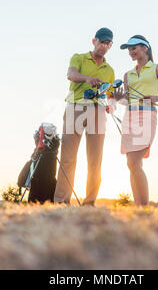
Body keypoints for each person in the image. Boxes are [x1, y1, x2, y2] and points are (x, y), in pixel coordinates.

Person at [54, 28, 116, 206]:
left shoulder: (109, 70)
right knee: (68, 157)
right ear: (93, 41)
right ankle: (61, 201)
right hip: (75, 107)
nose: (104, 46)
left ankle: (89, 202)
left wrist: (112, 105)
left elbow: (110, 95)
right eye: (101, 42)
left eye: (107, 43)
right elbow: (71, 75)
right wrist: (88, 79)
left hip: (98, 111)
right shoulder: (79, 58)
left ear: (110, 45)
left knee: (95, 159)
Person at [114, 35, 158, 206]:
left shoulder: (157, 69)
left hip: (147, 116)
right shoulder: (127, 75)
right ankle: (139, 206)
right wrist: (118, 98)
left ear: (145, 48)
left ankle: (143, 206)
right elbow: (127, 100)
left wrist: (154, 98)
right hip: (129, 116)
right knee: (131, 164)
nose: (131, 52)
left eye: (134, 48)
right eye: (129, 49)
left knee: (134, 162)